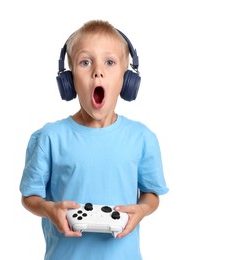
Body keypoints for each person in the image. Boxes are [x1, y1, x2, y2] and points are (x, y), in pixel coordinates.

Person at [20, 19, 169, 260]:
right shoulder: (49, 138)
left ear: (126, 79)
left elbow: (151, 194)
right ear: (69, 81)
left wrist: (142, 210)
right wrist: (49, 209)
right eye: (85, 62)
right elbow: (29, 197)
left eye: (110, 62)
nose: (97, 71)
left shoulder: (142, 138)